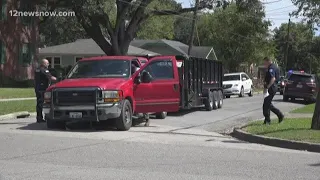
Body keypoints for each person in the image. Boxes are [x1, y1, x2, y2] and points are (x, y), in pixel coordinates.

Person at [263, 57, 284, 125]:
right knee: (267, 104)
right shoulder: (274, 66)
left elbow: (273, 78)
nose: (264, 64)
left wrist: (268, 86)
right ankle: (267, 120)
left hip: (271, 88)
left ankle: (279, 115)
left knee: (266, 104)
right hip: (271, 88)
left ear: (268, 61)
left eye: (265, 62)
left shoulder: (271, 68)